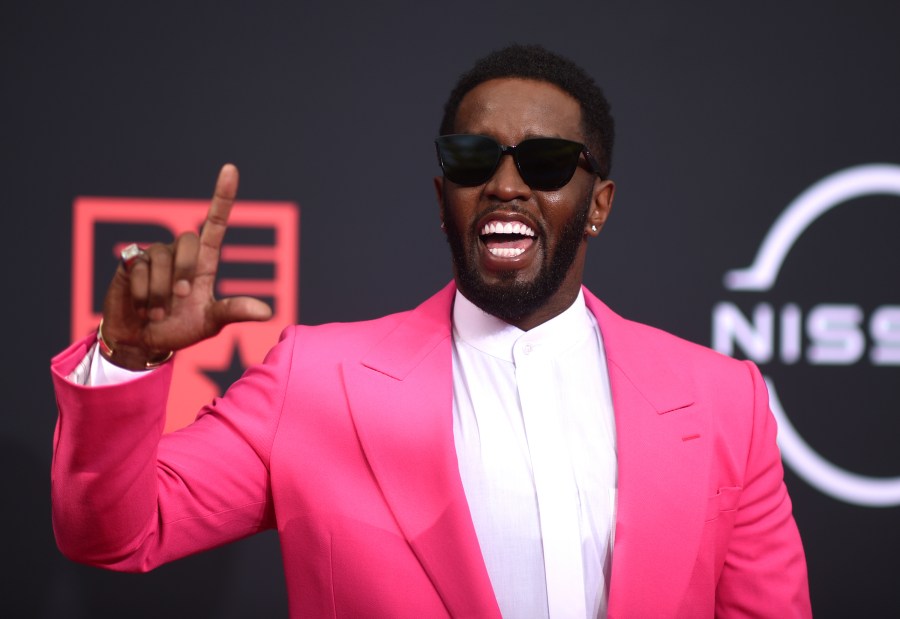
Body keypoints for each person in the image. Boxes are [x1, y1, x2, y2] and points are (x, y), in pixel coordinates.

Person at [50, 44, 811, 618]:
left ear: (600, 203)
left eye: (545, 162)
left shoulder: (722, 402)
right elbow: (116, 533)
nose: (505, 184)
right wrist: (128, 355)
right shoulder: (316, 380)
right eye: (473, 157)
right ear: (442, 190)